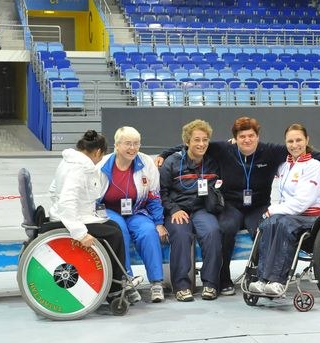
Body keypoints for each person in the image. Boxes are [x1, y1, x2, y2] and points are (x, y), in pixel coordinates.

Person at [157, 117, 320, 297]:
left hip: (258, 206)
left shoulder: (271, 151)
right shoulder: (225, 150)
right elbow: (192, 146)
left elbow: (299, 149)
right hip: (231, 205)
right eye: (242, 136)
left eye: (251, 136)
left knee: (262, 229)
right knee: (225, 228)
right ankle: (223, 279)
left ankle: (257, 276)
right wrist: (164, 155)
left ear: (257, 137)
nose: (247, 140)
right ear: (235, 139)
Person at [48, 130, 133, 300]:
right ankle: (115, 288)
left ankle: (115, 280)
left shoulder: (68, 162)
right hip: (68, 220)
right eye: (101, 156)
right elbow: (67, 201)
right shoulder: (79, 168)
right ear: (98, 152)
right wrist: (79, 232)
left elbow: (53, 190)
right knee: (115, 234)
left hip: (68, 215)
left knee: (113, 226)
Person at [248, 124, 320, 295]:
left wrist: (273, 209)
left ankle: (278, 280)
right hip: (290, 214)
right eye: (290, 141)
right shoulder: (284, 166)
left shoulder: (314, 165)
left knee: (282, 222)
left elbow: (302, 202)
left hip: (312, 216)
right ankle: (262, 279)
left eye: (298, 140)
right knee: (269, 223)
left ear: (307, 140)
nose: (294, 145)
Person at [97, 126, 167, 303]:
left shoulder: (146, 163)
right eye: (128, 143)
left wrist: (159, 222)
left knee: (148, 231)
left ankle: (156, 282)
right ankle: (126, 282)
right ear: (117, 145)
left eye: (136, 143)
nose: (132, 148)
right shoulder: (103, 166)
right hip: (109, 211)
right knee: (118, 232)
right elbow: (93, 198)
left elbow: (154, 196)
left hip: (137, 210)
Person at [159, 119, 223, 302]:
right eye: (196, 140)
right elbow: (161, 193)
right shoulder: (172, 162)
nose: (201, 144)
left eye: (205, 139)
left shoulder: (212, 162)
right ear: (187, 142)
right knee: (180, 234)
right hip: (178, 210)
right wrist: (173, 210)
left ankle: (210, 283)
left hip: (202, 210)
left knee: (213, 231)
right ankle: (181, 285)